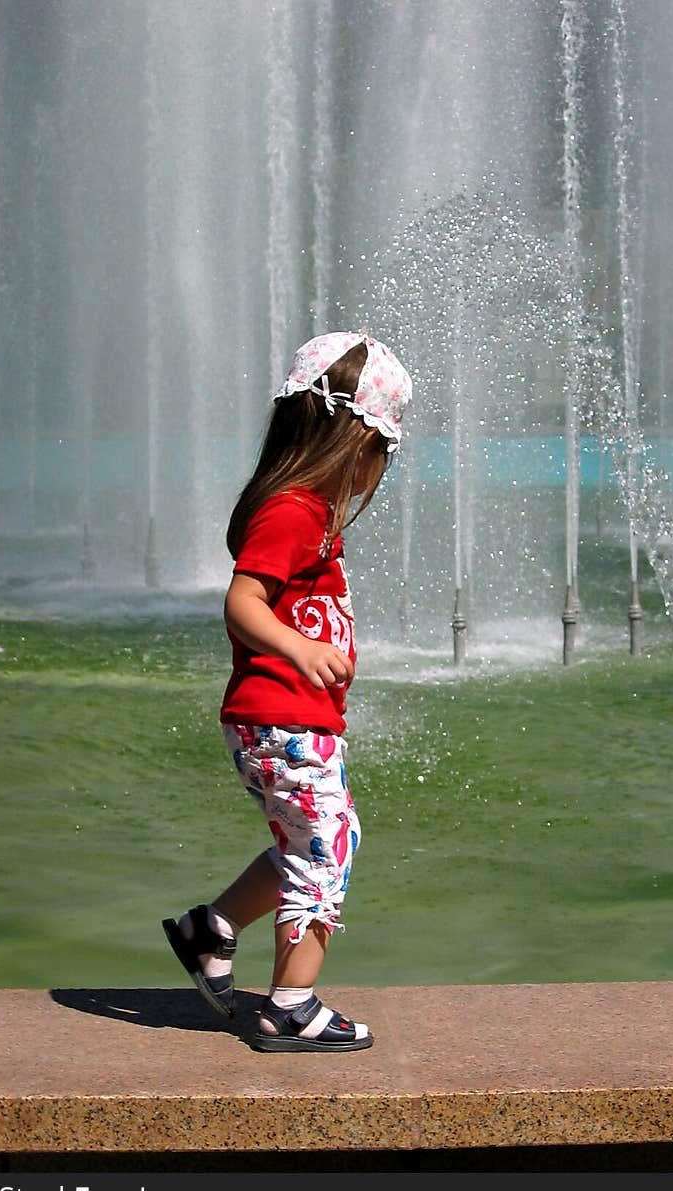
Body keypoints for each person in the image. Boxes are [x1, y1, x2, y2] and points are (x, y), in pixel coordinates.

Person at [163, 331, 412, 1053]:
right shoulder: (293, 511)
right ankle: (290, 1006)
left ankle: (209, 928)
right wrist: (300, 648)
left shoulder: (308, 515)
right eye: (378, 453)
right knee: (325, 853)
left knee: (321, 841)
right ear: (347, 441)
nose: (376, 472)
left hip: (290, 720)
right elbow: (243, 601)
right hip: (280, 719)